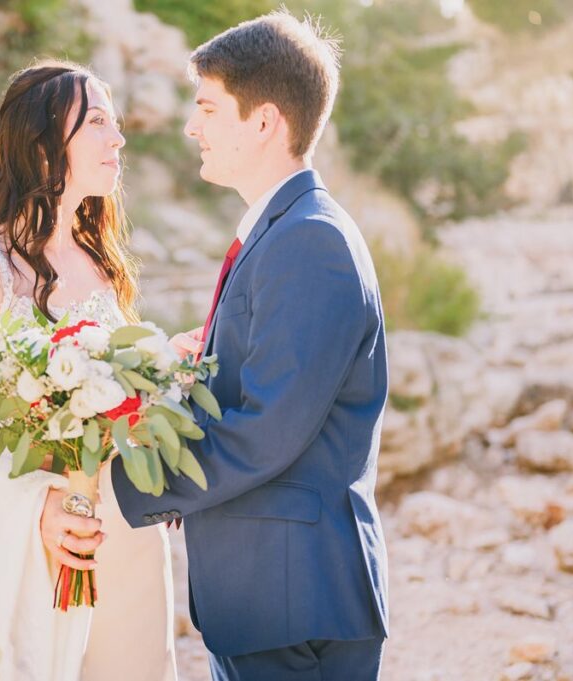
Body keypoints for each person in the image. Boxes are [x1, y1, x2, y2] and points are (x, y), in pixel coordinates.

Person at [114, 11, 390, 681]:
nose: (191, 126)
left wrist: (126, 478)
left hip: (294, 604)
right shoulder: (287, 230)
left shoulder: (309, 241)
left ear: (264, 122)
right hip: (270, 598)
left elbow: (269, 429)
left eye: (207, 106)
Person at [0, 60, 176, 681]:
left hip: (123, 537)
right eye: (98, 121)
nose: (118, 138)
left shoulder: (105, 267)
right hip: (29, 544)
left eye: (116, 122)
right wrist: (29, 509)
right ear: (45, 146)